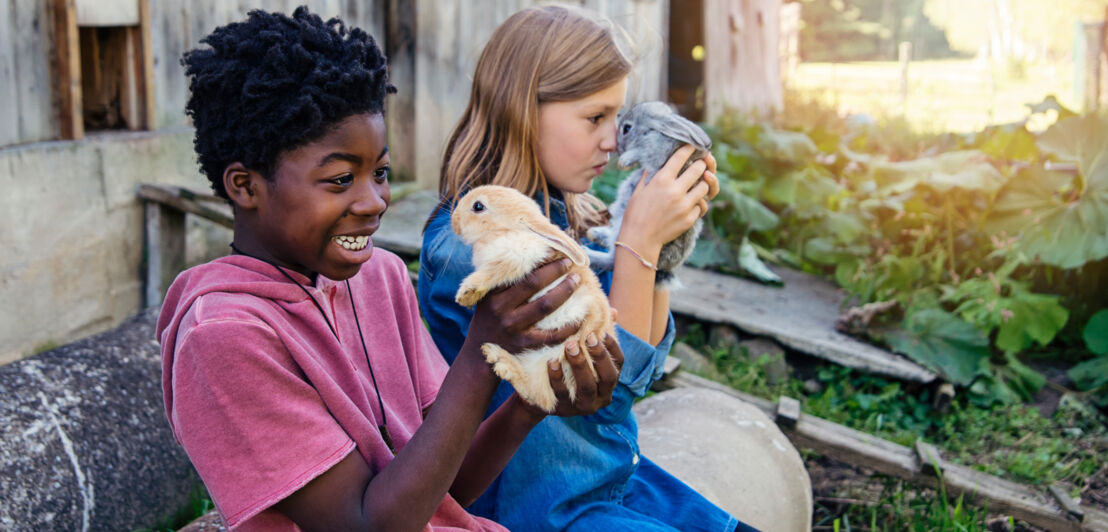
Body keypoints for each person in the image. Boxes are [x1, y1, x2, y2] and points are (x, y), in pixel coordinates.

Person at [156, 7, 623, 531]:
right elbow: (366, 526)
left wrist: (534, 405)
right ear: (245, 186)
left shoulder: (379, 276)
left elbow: (447, 491)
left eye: (379, 172)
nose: (375, 200)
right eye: (339, 180)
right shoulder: (224, 336)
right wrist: (480, 352)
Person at [419, 5, 756, 532]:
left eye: (617, 118)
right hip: (537, 506)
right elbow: (604, 391)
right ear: (522, 111)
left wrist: (663, 250)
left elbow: (637, 371)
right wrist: (638, 242)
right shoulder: (484, 249)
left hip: (604, 476)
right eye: (594, 118)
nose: (612, 141)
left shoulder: (558, 217)